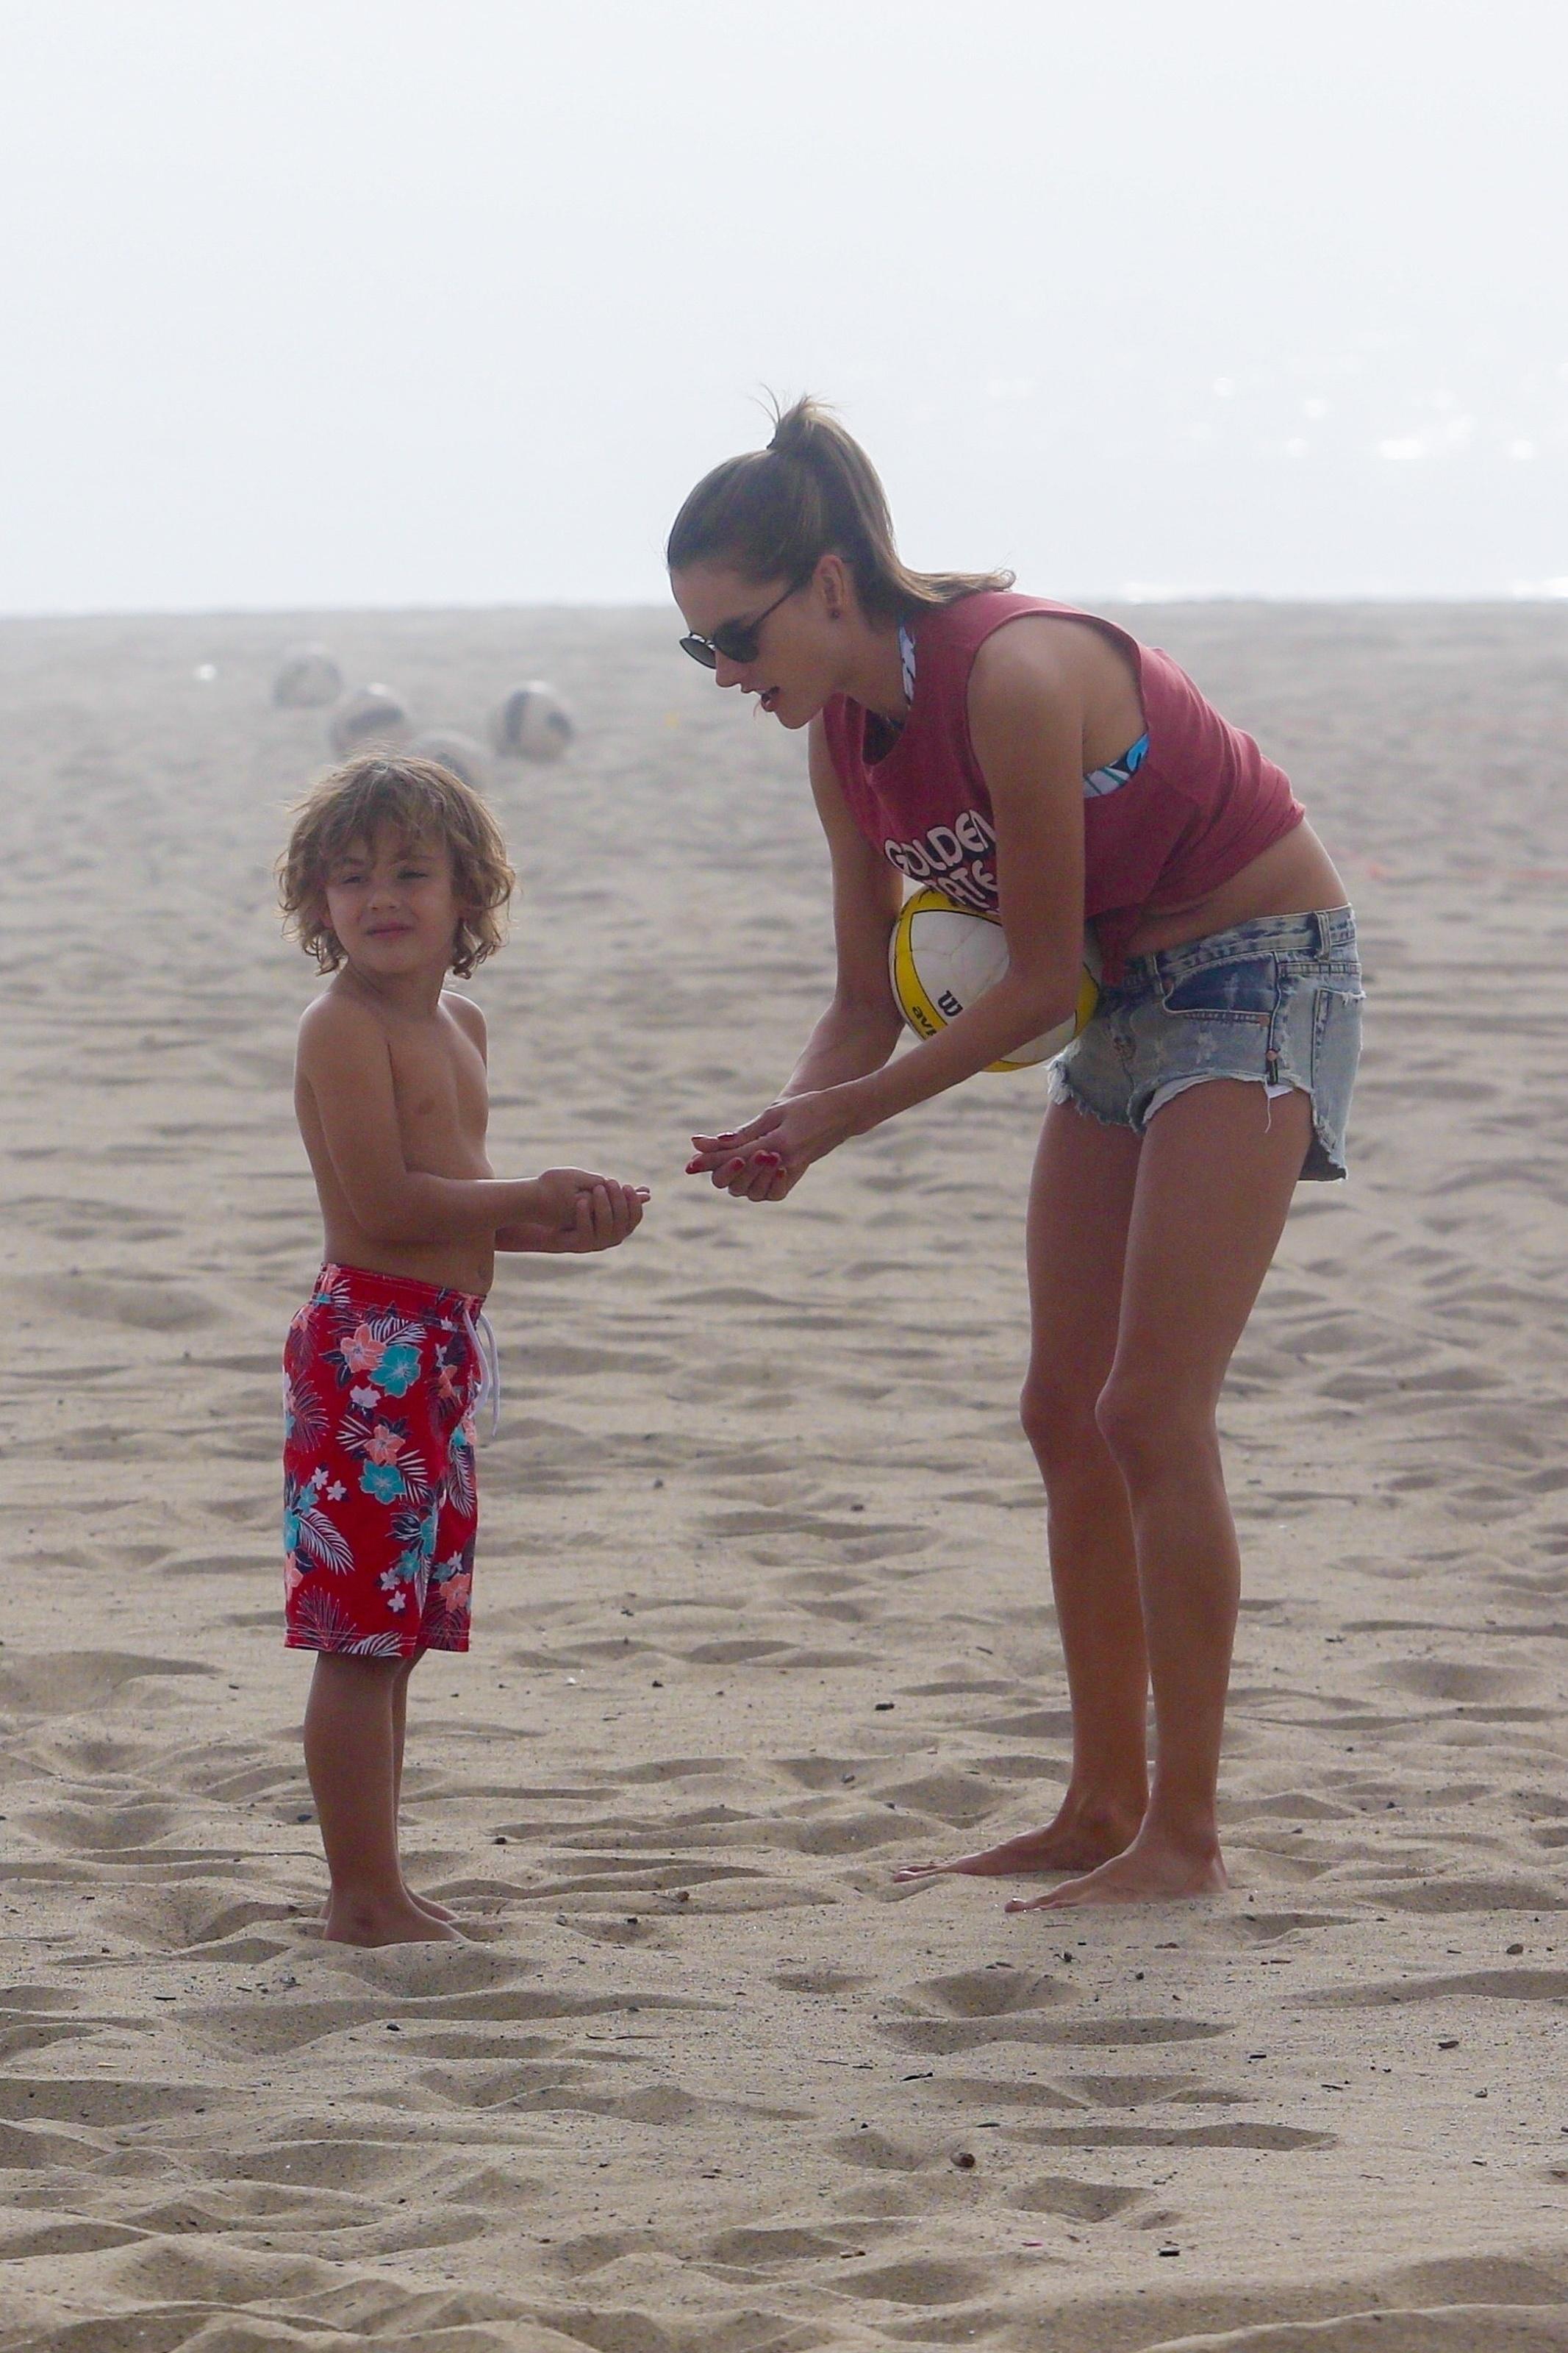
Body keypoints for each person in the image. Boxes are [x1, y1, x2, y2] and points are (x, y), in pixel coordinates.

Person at [670, 399, 1362, 1911]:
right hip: (1124, 991)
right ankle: (1096, 1802)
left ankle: (1181, 1837)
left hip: (1254, 968)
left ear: (830, 584)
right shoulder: (841, 742)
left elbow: (1034, 984)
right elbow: (862, 1000)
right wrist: (788, 1118)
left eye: (734, 638)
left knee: (1149, 1404)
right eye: (697, 652)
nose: (725, 676)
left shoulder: (1013, 671)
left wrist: (844, 1117)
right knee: (1062, 1408)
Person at [277, 753, 648, 1945]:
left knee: (402, 1637)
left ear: (467, 898)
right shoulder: (342, 1028)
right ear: (316, 905)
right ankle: (359, 1895)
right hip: (367, 1348)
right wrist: (524, 1191)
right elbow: (385, 1205)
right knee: (358, 1635)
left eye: (410, 873)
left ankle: (379, 1881)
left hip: (440, 1344)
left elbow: (458, 1215)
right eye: (350, 878)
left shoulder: (459, 1020)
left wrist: (556, 1232)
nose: (379, 897)